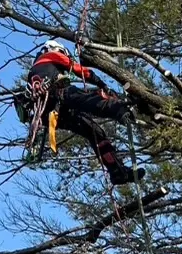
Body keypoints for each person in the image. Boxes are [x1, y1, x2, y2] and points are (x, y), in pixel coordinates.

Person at [24, 40, 144, 185]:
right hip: (58, 95)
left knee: (94, 131)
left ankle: (117, 172)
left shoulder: (34, 70)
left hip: (51, 114)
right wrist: (101, 83)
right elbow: (80, 70)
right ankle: (119, 110)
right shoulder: (51, 55)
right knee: (89, 99)